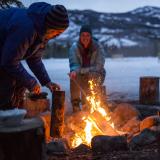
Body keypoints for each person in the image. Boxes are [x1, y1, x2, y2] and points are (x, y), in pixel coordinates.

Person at [0, 2, 69, 110]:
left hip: (6, 54)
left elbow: (34, 58)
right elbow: (9, 62)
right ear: (51, 26)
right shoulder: (26, 27)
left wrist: (47, 81)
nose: (57, 35)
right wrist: (32, 83)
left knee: (21, 80)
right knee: (7, 83)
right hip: (3, 53)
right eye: (57, 32)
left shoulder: (42, 31)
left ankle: (15, 111)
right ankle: (6, 117)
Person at [69, 25, 106, 113]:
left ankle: (88, 105)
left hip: (97, 74)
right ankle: (76, 106)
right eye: (83, 35)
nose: (85, 38)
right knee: (74, 77)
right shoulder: (74, 48)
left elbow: (99, 66)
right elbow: (74, 64)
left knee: (91, 76)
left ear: (91, 36)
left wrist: (82, 71)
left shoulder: (98, 47)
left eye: (87, 35)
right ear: (80, 36)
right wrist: (74, 71)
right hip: (82, 74)